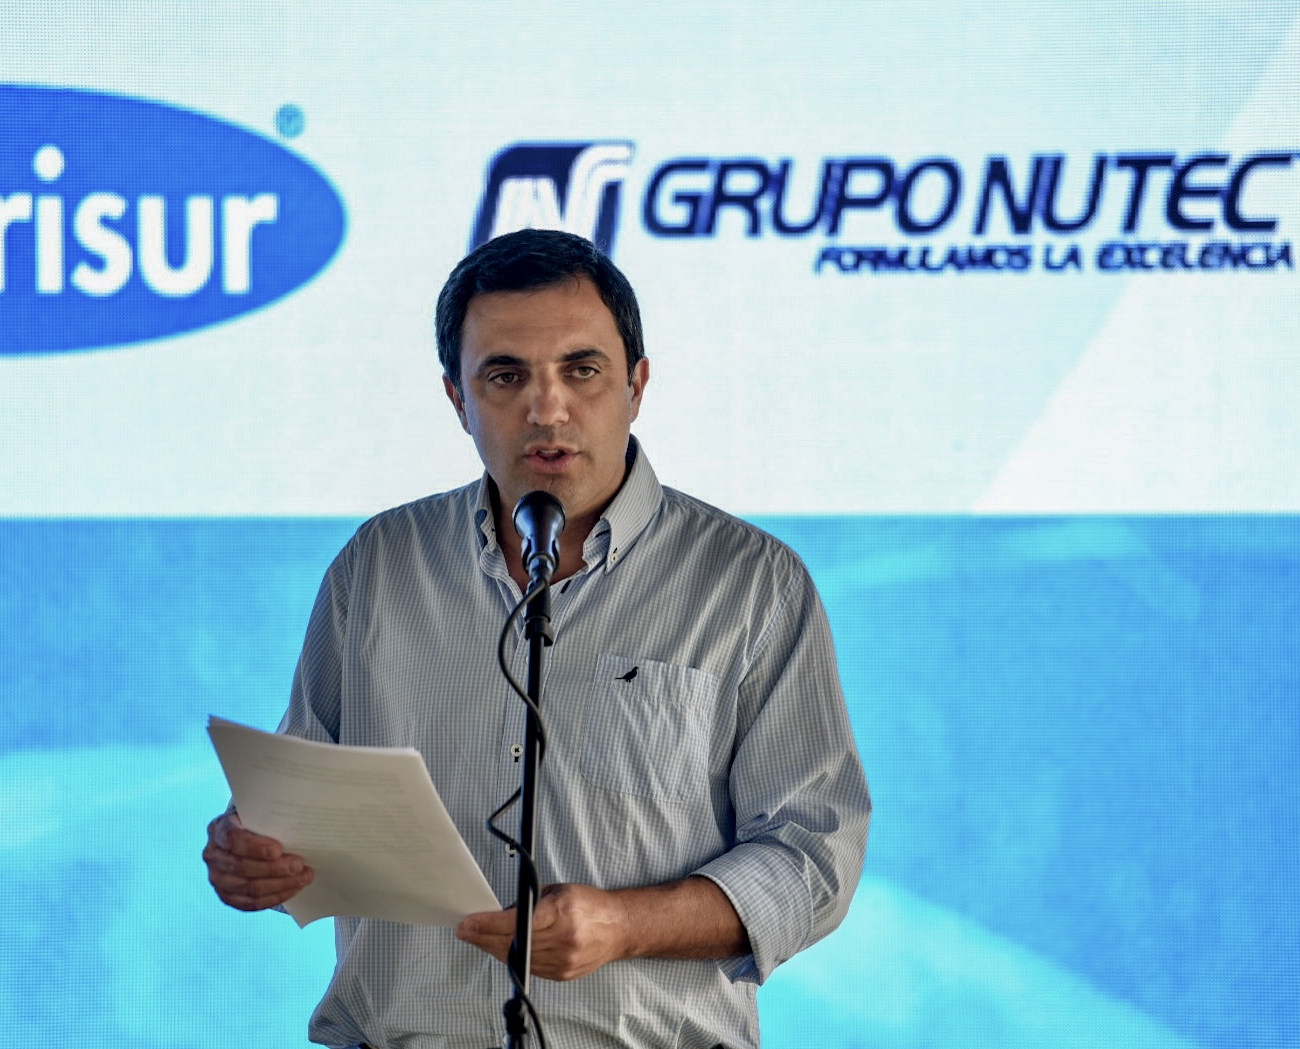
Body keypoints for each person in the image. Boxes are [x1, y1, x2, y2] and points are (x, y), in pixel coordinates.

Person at [203, 228, 870, 1048]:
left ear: (637, 384)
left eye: (582, 370)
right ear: (458, 398)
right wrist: (254, 851)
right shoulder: (379, 565)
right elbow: (300, 808)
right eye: (505, 375)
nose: (547, 409)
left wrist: (626, 925)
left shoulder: (752, 583)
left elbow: (813, 855)